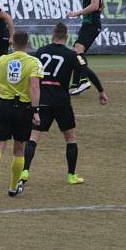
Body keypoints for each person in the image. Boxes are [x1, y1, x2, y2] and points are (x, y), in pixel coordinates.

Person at [18, 23, 108, 193]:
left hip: (43, 100)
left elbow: (31, 75)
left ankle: (25, 170)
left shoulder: (41, 51)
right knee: (70, 138)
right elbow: (87, 72)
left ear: (53, 34)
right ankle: (71, 175)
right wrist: (101, 90)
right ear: (66, 36)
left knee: (33, 137)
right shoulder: (71, 54)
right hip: (61, 102)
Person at [0, 31, 41, 200]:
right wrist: (35, 110)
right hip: (23, 109)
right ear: (27, 44)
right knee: (19, 150)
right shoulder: (33, 62)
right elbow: (34, 87)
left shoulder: (2, 60)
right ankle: (12, 187)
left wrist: (2, 97)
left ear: (12, 43)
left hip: (5, 105)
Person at [65, 0, 103, 95]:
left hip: (91, 25)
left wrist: (76, 13)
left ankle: (84, 79)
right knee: (76, 53)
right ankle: (75, 84)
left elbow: (94, 5)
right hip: (89, 24)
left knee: (78, 52)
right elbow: (99, 5)